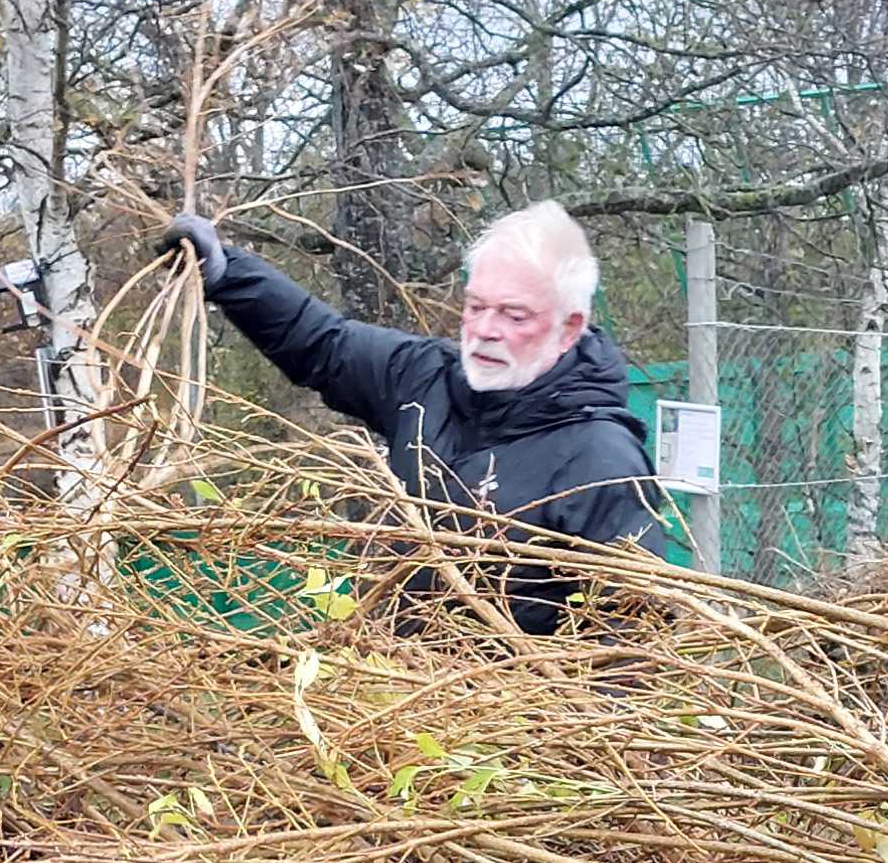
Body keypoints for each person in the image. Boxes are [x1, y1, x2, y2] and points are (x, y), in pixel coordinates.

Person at [165, 199, 660, 632]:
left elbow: (631, 638)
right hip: (399, 691)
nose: (485, 330)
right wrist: (227, 272)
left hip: (512, 705)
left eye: (514, 315)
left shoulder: (601, 462)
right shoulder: (426, 380)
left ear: (568, 329)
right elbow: (324, 345)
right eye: (476, 307)